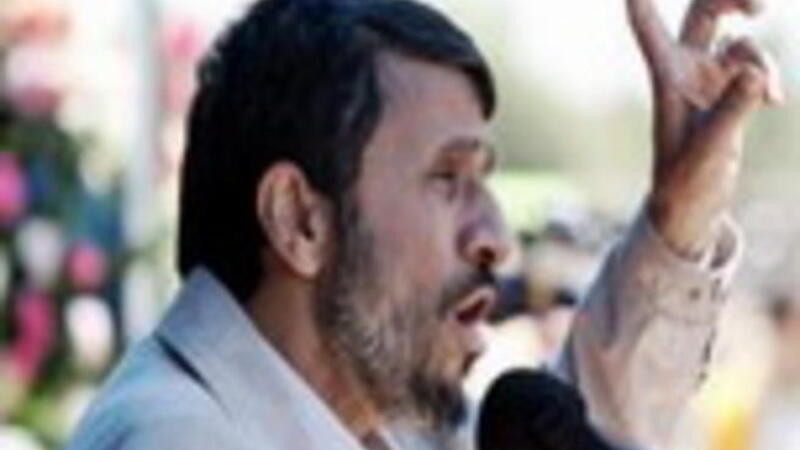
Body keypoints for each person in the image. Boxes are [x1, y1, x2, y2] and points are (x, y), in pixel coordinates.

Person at [65, 0, 780, 448]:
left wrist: (677, 221)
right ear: (299, 220)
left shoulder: (376, 421)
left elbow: (583, 428)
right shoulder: (176, 436)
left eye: (484, 182)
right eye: (448, 178)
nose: (496, 238)